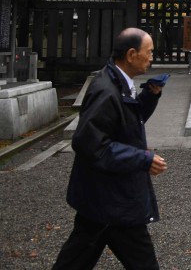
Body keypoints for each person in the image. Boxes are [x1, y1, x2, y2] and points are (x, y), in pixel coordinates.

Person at [52, 28, 168, 270]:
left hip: (103, 199)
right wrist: (142, 159)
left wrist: (148, 97)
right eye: (149, 52)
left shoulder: (117, 81)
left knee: (75, 259)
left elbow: (124, 124)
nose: (152, 58)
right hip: (113, 200)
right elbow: (90, 144)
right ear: (131, 54)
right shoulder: (107, 90)